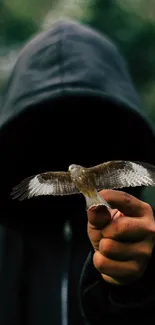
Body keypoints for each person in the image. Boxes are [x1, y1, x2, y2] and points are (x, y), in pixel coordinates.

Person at [0, 18, 155, 325]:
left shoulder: (141, 237)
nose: (67, 143)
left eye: (89, 125)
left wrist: (139, 288)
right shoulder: (5, 246)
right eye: (45, 128)